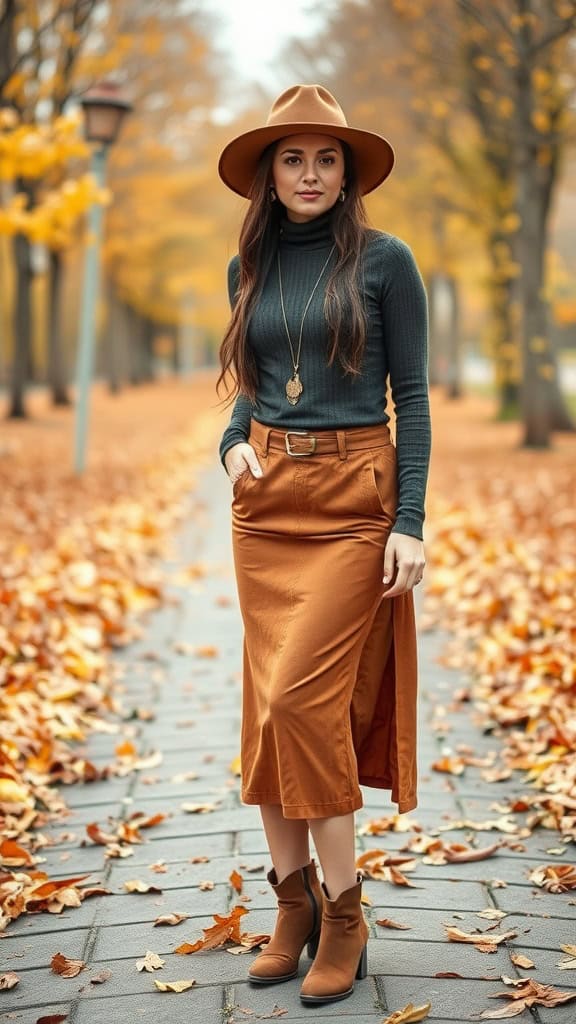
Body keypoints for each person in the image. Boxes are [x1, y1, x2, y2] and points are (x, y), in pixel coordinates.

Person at [216, 84, 431, 1006]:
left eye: (326, 158)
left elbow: (412, 400)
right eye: (293, 158)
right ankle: (291, 905)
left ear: (348, 174)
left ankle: (346, 912)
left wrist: (411, 522)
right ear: (270, 172)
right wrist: (232, 444)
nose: (310, 174)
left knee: (303, 702)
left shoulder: (388, 263)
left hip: (353, 501)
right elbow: (249, 384)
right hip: (265, 506)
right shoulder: (250, 264)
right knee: (268, 709)